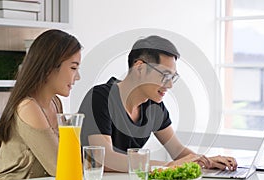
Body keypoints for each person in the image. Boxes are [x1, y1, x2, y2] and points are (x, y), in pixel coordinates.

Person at [79, 35, 237, 172]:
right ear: (140, 67)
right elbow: (103, 159)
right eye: (165, 75)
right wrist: (169, 166)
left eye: (172, 78)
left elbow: (178, 151)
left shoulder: (153, 106)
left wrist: (206, 161)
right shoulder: (99, 98)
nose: (169, 85)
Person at [0, 29, 82, 180]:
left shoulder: (55, 103)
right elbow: (60, 167)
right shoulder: (28, 107)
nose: (78, 77)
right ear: (49, 67)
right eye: (73, 68)